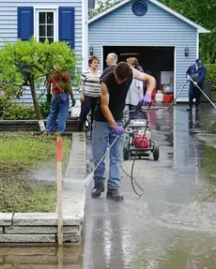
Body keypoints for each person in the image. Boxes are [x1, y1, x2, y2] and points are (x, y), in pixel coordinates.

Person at [91, 62, 156, 201]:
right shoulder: (105, 81)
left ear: (127, 77)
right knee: (99, 156)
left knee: (117, 157)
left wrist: (148, 94)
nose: (119, 81)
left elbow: (151, 79)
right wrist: (114, 125)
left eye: (122, 80)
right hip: (101, 121)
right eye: (117, 78)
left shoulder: (132, 72)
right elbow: (104, 106)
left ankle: (113, 188)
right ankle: (98, 184)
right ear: (114, 73)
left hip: (119, 118)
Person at [45, 69, 76, 133]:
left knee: (52, 113)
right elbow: (68, 86)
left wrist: (48, 96)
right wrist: (72, 97)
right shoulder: (65, 73)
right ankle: (60, 133)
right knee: (63, 114)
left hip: (54, 95)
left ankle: (48, 131)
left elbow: (48, 85)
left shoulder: (52, 72)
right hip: (63, 94)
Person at [78, 56, 102, 133]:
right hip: (87, 96)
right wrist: (81, 93)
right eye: (94, 62)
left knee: (94, 115)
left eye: (97, 63)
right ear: (90, 64)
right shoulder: (85, 73)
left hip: (97, 96)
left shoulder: (100, 73)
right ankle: (80, 127)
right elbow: (81, 84)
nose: (96, 64)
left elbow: (102, 84)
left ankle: (93, 132)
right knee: (85, 111)